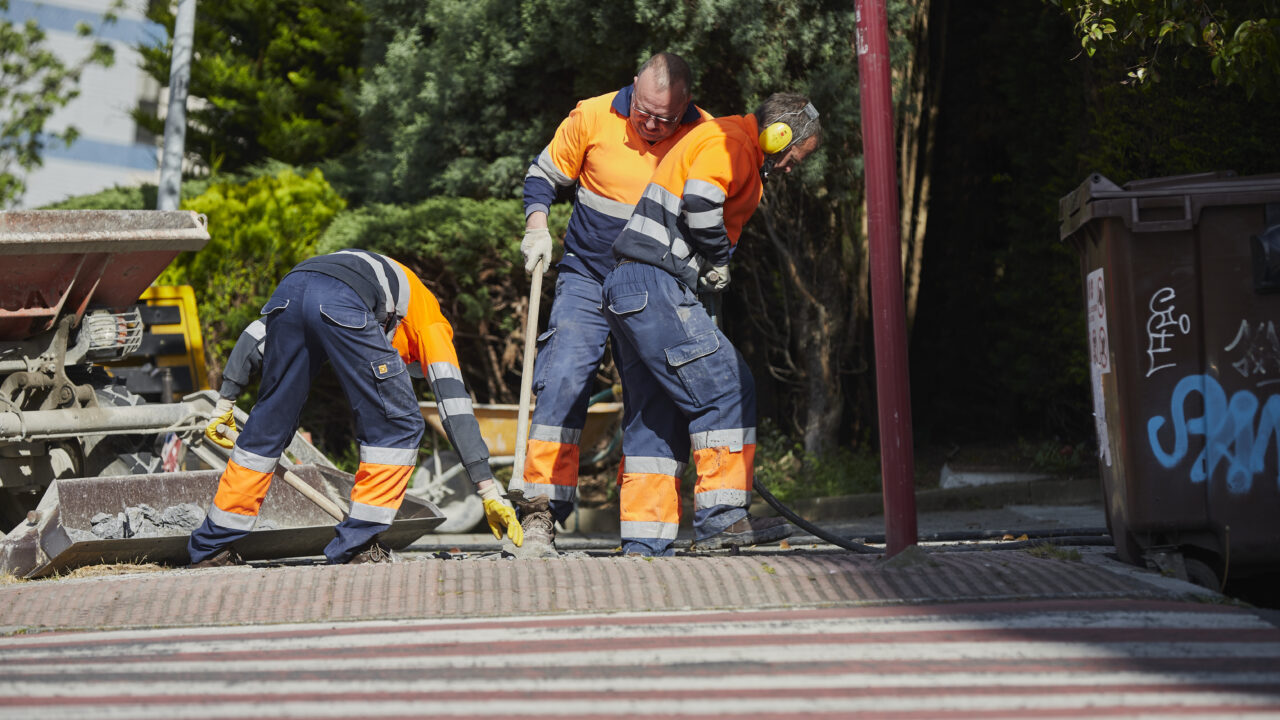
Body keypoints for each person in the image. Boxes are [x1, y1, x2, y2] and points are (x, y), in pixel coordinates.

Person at [189, 249, 523, 567]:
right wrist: (488, 489)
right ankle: (358, 546)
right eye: (409, 363)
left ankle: (211, 548)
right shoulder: (431, 323)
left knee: (268, 423)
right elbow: (453, 405)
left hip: (290, 289)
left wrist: (225, 402)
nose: (402, 364)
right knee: (399, 424)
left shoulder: (377, 289)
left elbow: (254, 335)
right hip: (343, 299)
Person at [602, 93, 822, 556]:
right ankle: (722, 520)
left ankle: (645, 542)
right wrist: (718, 260)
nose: (788, 168)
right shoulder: (732, 142)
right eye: (794, 158)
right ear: (777, 135)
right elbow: (702, 202)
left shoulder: (720, 139)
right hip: (656, 283)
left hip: (629, 287)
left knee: (656, 415)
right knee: (727, 388)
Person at [513, 52, 711, 549]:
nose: (649, 123)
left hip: (655, 287)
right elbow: (543, 176)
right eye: (643, 110)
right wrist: (537, 225)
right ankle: (539, 511)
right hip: (587, 275)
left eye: (664, 118)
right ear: (633, 90)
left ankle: (647, 537)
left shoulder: (705, 135)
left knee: (653, 401)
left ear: (686, 107)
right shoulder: (594, 115)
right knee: (562, 375)